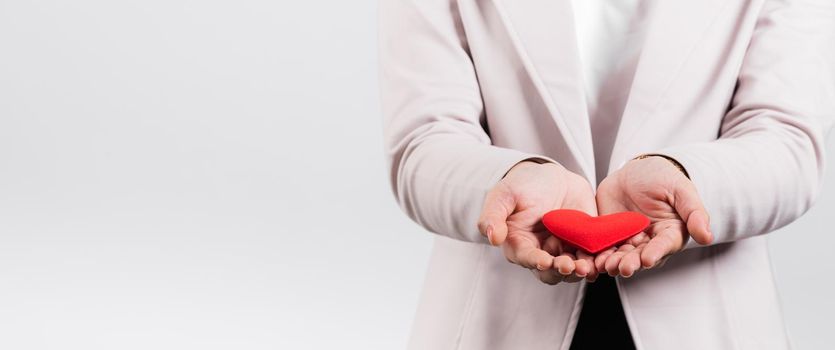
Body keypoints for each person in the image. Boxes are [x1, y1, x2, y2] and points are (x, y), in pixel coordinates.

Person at [378, 0, 835, 349]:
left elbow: (787, 139)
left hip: (704, 317)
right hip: (499, 317)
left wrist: (686, 178)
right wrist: (511, 178)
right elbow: (423, 140)